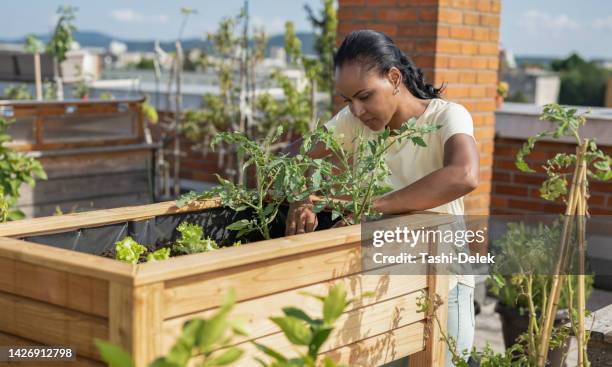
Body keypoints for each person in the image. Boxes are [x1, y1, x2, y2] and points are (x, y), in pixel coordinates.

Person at [283, 29, 479, 366]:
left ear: (394, 78)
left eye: (365, 96)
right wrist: (300, 195)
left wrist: (373, 205)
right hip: (377, 287)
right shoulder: (354, 123)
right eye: (348, 100)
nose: (357, 110)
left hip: (442, 285)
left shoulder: (447, 117)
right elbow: (289, 161)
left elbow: (463, 174)